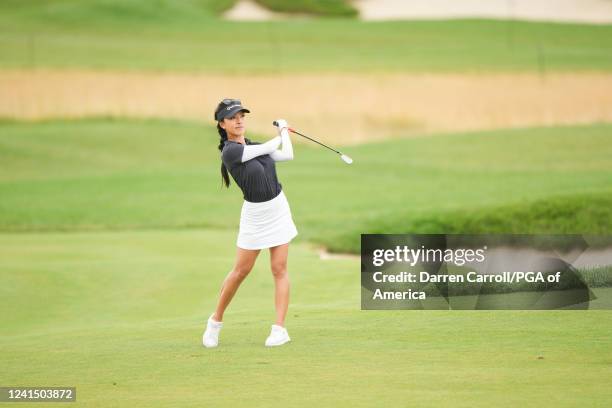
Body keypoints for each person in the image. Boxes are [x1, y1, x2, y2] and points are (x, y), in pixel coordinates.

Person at [203, 98, 298, 348]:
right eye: (233, 117)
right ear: (222, 124)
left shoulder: (255, 145)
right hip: (255, 217)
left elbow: (287, 154)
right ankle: (215, 321)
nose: (239, 120)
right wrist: (282, 130)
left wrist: (284, 134)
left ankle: (279, 329)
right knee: (241, 271)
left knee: (279, 268)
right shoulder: (231, 152)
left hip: (278, 209)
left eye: (241, 116)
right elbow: (268, 146)